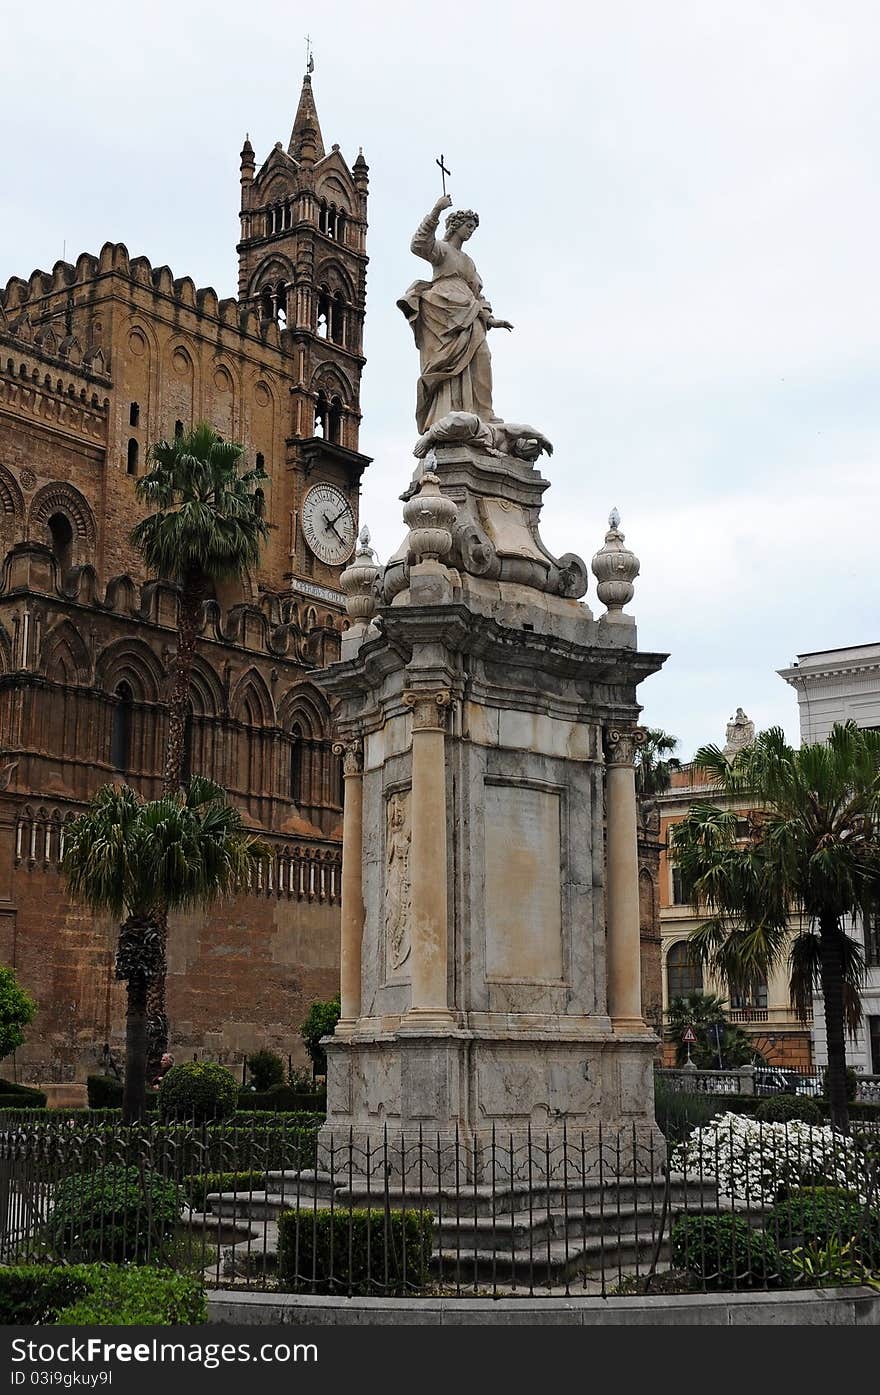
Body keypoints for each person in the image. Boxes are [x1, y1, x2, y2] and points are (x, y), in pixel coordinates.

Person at [397, 194, 513, 433]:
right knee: (447, 365)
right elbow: (419, 244)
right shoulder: (441, 250)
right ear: (456, 226)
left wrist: (491, 318)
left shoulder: (469, 262)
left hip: (470, 313)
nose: (470, 232)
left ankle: (484, 412)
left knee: (482, 357)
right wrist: (436, 211)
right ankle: (449, 410)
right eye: (468, 226)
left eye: (473, 228)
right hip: (443, 311)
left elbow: (478, 294)